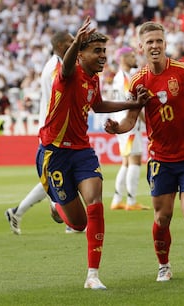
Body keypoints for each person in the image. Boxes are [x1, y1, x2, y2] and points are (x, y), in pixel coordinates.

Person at [104, 21, 184, 282]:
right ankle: (164, 265)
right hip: (160, 158)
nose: (154, 46)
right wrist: (117, 127)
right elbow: (131, 119)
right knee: (162, 218)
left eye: (158, 41)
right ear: (141, 47)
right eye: (149, 42)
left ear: (165, 43)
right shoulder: (138, 81)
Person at [36, 17, 149, 290]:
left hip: (82, 151)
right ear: (81, 53)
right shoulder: (67, 74)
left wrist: (133, 103)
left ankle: (93, 275)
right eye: (96, 51)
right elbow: (65, 65)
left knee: (96, 201)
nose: (102, 56)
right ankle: (58, 206)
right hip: (54, 153)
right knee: (78, 223)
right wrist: (75, 41)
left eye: (104, 51)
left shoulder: (93, 79)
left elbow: (97, 105)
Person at [5, 31, 86, 235]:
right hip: (54, 132)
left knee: (55, 176)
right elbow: (60, 100)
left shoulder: (57, 65)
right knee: (58, 176)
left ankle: (19, 211)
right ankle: (59, 210)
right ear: (60, 46)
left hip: (58, 130)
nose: (73, 44)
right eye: (69, 42)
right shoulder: (54, 70)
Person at [110, 46, 149, 211]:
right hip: (129, 124)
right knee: (135, 159)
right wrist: (147, 121)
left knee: (126, 162)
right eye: (132, 56)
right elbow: (133, 104)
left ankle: (117, 199)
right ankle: (131, 201)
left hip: (121, 123)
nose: (135, 59)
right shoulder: (125, 79)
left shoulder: (119, 78)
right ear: (123, 59)